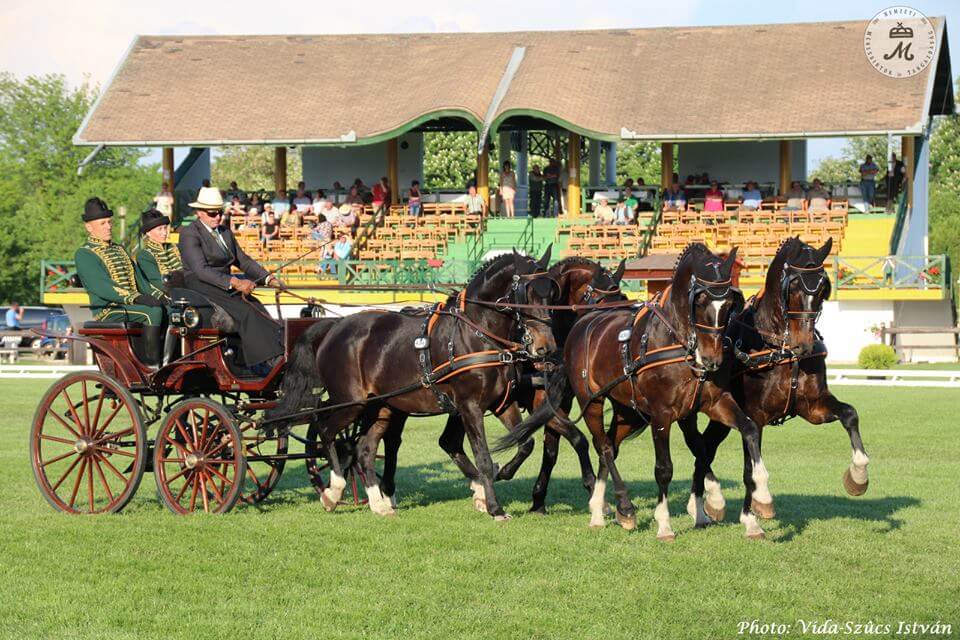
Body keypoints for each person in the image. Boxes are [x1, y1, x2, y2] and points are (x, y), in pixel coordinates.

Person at [178, 186, 284, 368]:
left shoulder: (225, 232)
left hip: (224, 282)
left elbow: (243, 260)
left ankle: (279, 353)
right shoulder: (189, 233)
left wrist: (268, 278)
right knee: (246, 312)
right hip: (201, 284)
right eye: (212, 213)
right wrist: (234, 282)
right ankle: (268, 362)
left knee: (257, 307)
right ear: (199, 213)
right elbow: (200, 270)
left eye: (219, 212)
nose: (217, 217)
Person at [74, 197, 164, 326]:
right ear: (89, 227)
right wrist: (136, 298)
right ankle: (153, 347)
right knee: (153, 312)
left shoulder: (119, 249)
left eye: (109, 222)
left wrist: (160, 297)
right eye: (102, 223)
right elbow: (103, 287)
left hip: (130, 306)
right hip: (108, 310)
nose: (108, 227)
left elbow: (141, 281)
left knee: (171, 310)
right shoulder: (84, 253)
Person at [134, 209, 183, 297]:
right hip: (166, 297)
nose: (164, 233)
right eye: (159, 229)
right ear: (148, 233)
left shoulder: (174, 247)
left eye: (165, 228)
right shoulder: (144, 255)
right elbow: (160, 284)